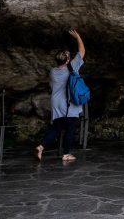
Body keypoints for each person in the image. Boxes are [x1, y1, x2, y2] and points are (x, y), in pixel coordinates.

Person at [36, 29, 86, 162]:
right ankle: (66, 154)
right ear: (68, 60)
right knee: (70, 129)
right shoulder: (72, 68)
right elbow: (81, 52)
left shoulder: (53, 71)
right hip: (69, 104)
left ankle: (41, 146)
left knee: (56, 128)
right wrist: (78, 37)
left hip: (56, 103)